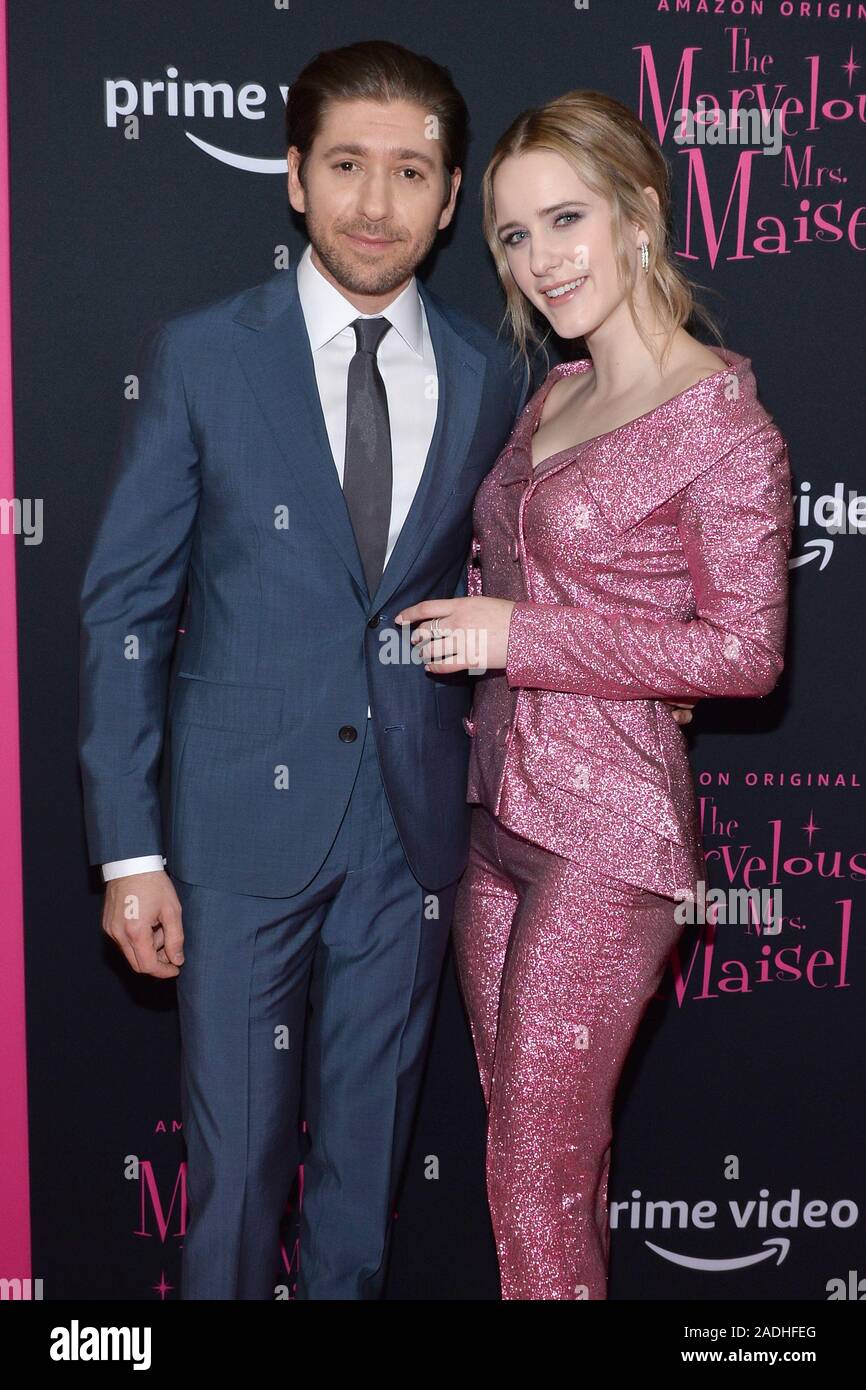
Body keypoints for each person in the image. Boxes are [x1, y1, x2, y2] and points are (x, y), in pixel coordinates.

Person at [77, 39, 531, 1301]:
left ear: (450, 199)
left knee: (365, 1170)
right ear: (293, 176)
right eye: (345, 165)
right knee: (233, 1170)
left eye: (408, 172)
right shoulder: (204, 355)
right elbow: (125, 609)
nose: (374, 203)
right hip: (227, 831)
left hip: (410, 829)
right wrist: (129, 853)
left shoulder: (497, 376)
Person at [395, 89, 793, 1300]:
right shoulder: (553, 394)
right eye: (511, 235)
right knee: (531, 1161)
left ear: (637, 216)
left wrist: (521, 633)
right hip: (489, 821)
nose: (537, 259)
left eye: (563, 219)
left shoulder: (727, 430)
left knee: (533, 1166)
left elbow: (742, 655)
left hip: (605, 838)